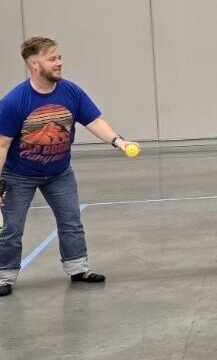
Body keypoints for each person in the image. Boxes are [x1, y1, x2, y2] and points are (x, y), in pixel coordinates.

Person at [0, 36, 139, 297]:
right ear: (33, 64)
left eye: (59, 57)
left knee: (71, 220)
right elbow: (2, 146)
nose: (59, 63)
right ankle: (4, 276)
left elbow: (94, 120)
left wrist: (119, 141)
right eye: (52, 59)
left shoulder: (71, 92)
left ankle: (78, 268)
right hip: (19, 175)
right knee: (12, 228)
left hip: (58, 172)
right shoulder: (13, 102)